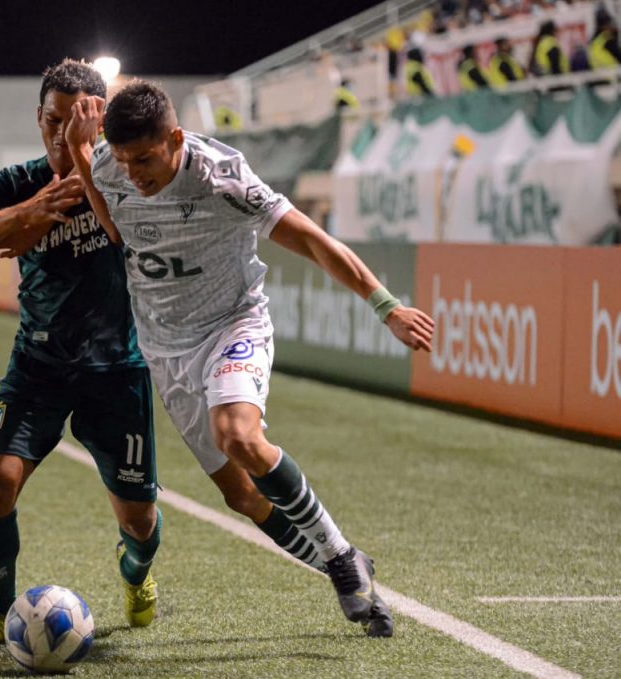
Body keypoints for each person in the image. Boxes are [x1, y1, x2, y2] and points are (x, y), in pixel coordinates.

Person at [66, 81, 436, 638]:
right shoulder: (111, 165)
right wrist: (79, 152)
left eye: (144, 158)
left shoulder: (221, 177)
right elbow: (113, 218)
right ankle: (355, 574)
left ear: (175, 139)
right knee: (239, 494)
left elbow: (312, 240)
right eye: (122, 160)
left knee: (237, 433)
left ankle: (339, 557)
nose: (133, 172)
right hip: (165, 348)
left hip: (230, 324)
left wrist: (386, 307)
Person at [0, 59, 162, 646]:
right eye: (51, 119)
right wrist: (32, 211)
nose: (60, 132)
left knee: (140, 522)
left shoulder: (126, 177)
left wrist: (87, 175)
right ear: (37, 117)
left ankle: (136, 571)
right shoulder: (15, 180)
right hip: (36, 367)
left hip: (116, 370)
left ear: (97, 121)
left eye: (75, 122)